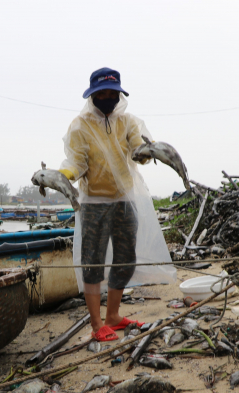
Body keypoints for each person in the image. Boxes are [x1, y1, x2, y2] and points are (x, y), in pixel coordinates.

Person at [59, 68, 176, 342]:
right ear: (92, 95)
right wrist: (63, 176)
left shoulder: (128, 121)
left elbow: (138, 149)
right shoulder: (79, 126)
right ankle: (97, 323)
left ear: (120, 94)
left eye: (113, 93)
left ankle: (113, 316)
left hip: (125, 200)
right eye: (103, 93)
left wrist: (148, 152)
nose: (108, 97)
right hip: (94, 203)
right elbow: (76, 163)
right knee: (93, 262)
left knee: (125, 259)